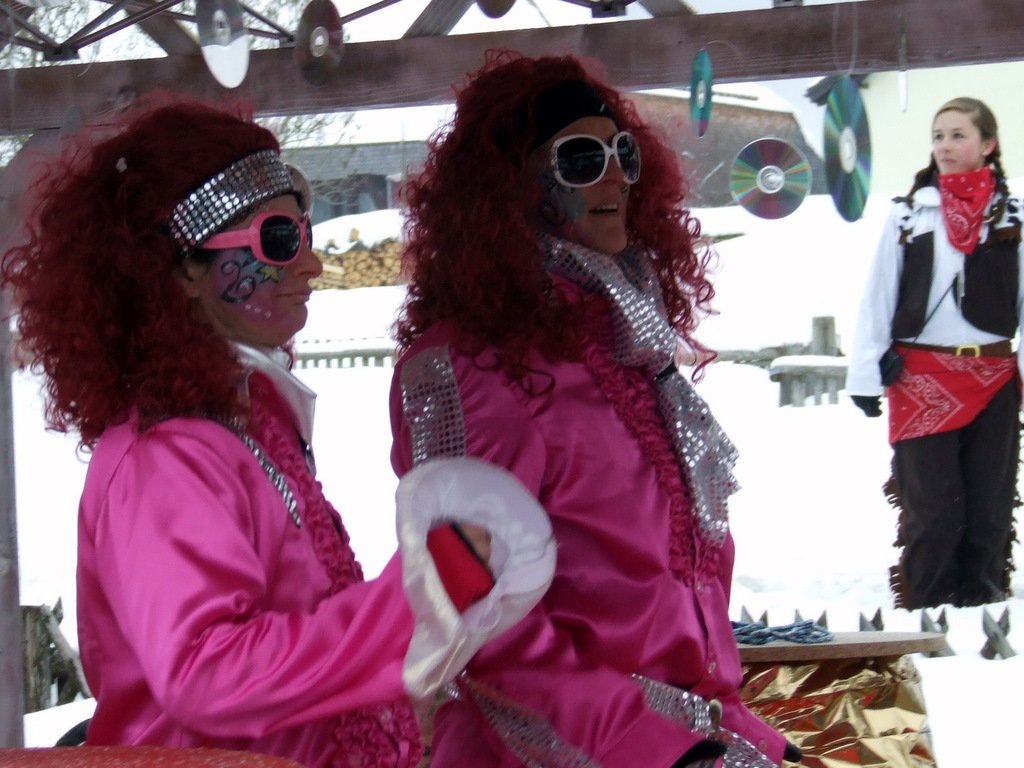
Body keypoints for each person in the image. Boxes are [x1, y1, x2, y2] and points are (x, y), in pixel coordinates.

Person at [1, 95, 554, 767]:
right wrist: (420, 600)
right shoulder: (164, 456)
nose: (312, 265)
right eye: (279, 241)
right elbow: (208, 671)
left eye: (305, 234)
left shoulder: (243, 421)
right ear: (181, 271)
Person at [389, 51, 797, 767]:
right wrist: (662, 750)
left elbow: (682, 605)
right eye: (580, 159)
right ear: (511, 186)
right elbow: (481, 627)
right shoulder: (470, 367)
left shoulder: (629, 343)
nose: (614, 177)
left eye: (623, 153)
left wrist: (746, 740)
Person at [846, 96, 1022, 610]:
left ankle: (983, 608)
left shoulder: (1013, 215)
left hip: (994, 376)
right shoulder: (909, 215)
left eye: (958, 135)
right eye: (938, 136)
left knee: (989, 506)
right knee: (933, 509)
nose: (945, 145)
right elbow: (879, 295)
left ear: (988, 145)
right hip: (921, 378)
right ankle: (928, 608)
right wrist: (865, 375)